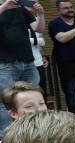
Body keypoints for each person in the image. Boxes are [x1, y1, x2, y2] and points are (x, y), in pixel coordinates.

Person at [0, 0, 44, 134]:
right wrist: (4, 7)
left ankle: (33, 133)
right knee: (4, 102)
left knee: (33, 98)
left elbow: (38, 28)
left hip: (28, 63)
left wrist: (40, 14)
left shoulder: (21, 9)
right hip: (5, 63)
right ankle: (8, 137)